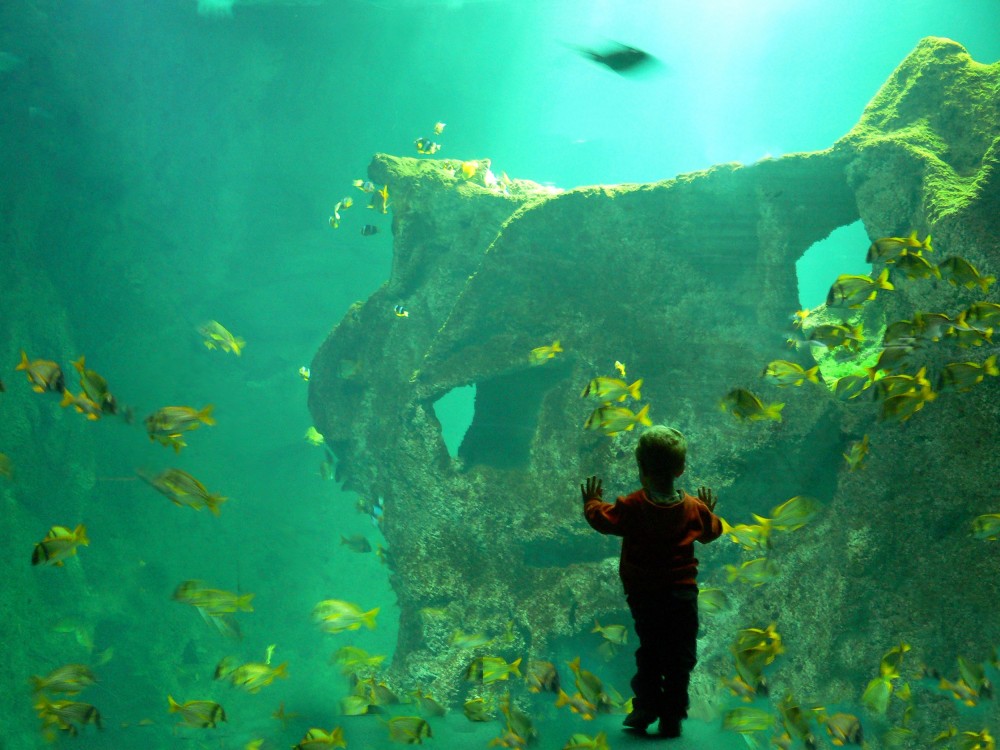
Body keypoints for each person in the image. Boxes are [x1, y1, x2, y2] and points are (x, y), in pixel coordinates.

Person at [581, 425, 722, 738]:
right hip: (682, 596)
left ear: (641, 469)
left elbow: (604, 520)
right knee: (680, 657)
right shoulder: (693, 509)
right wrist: (708, 513)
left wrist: (591, 502)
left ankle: (646, 706)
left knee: (651, 652)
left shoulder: (633, 506)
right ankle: (672, 716)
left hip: (645, 595)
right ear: (681, 469)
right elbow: (712, 533)